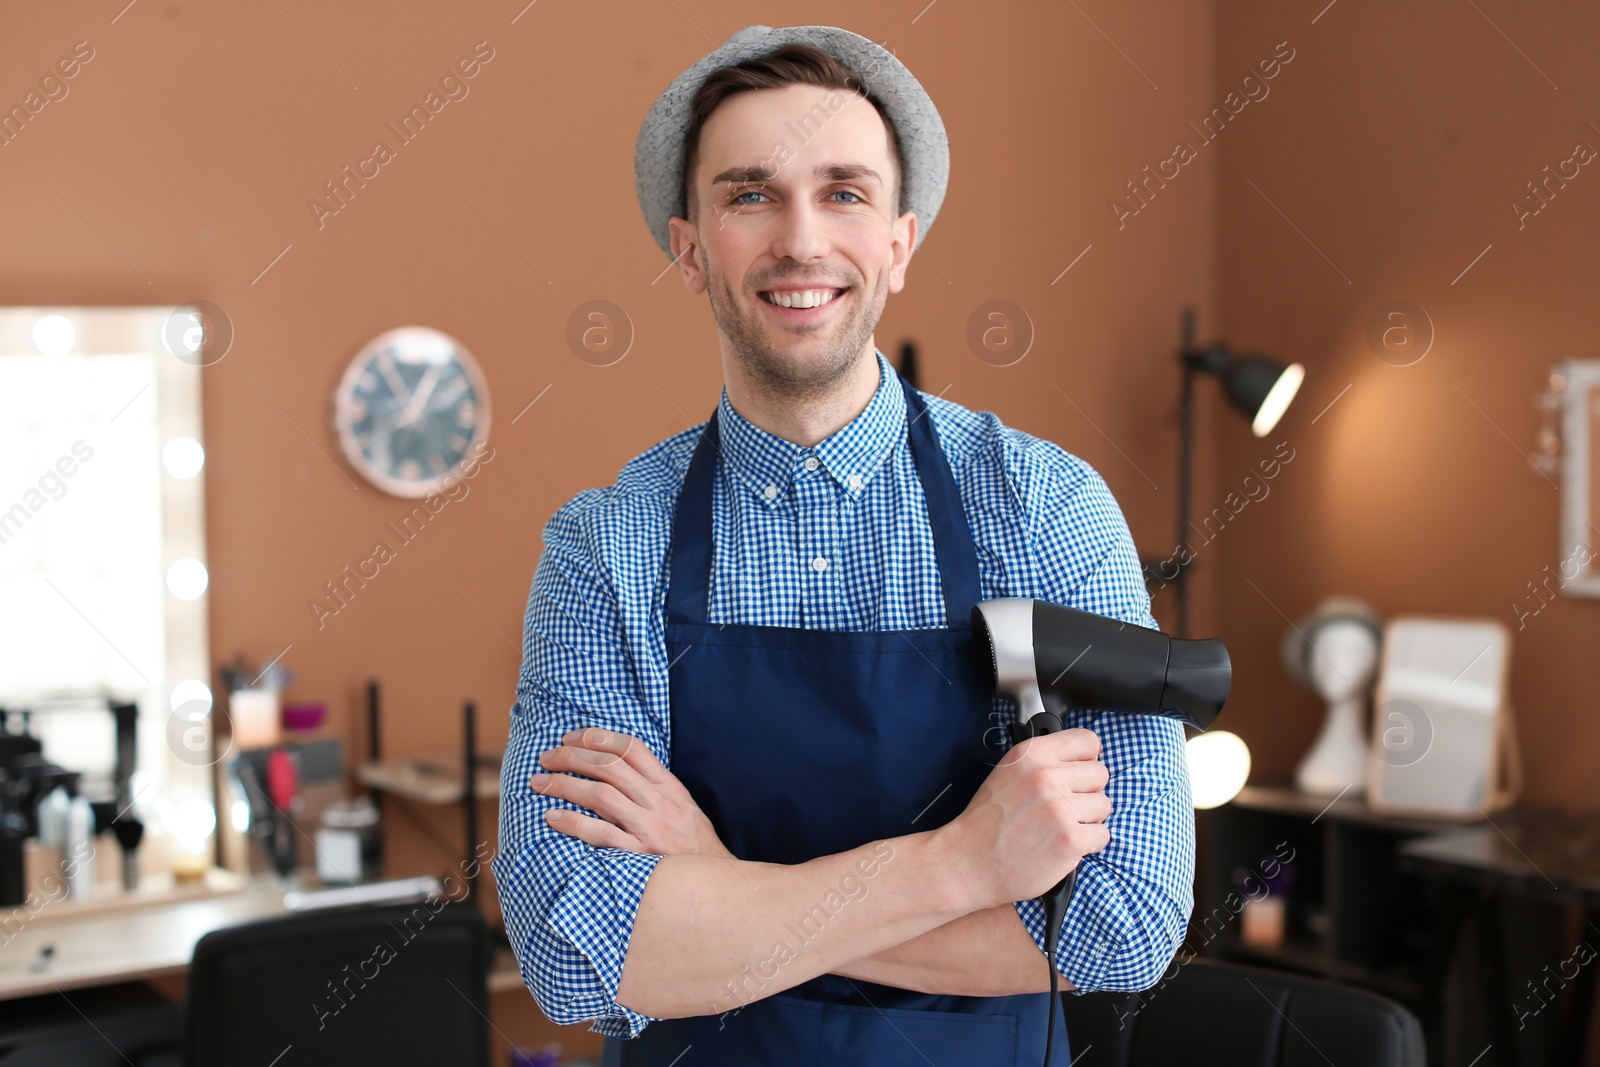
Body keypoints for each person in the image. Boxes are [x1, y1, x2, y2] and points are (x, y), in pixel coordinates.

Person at [492, 25, 1194, 1067]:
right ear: (689, 249)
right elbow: (569, 950)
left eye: (845, 192)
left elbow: (1124, 925)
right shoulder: (606, 548)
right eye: (749, 193)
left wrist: (719, 886)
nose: (801, 240)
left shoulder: (1045, 513)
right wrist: (964, 862)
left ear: (900, 242)